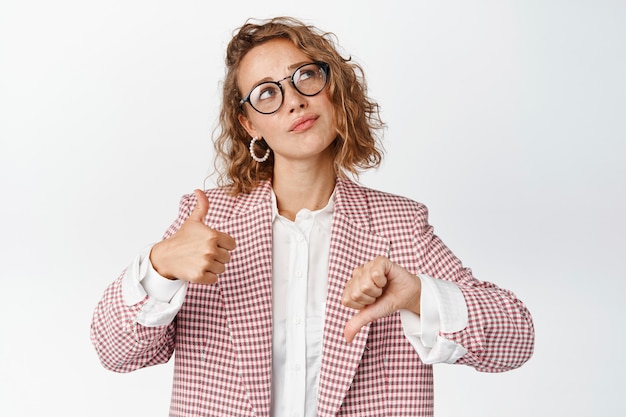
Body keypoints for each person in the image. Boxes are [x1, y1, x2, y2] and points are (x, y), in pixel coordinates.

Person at [90, 16, 534, 417]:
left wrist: (418, 295)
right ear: (249, 124)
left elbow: (516, 340)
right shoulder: (207, 222)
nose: (293, 101)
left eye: (306, 77)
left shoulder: (399, 225)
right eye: (267, 92)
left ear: (334, 90)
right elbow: (116, 353)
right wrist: (159, 265)